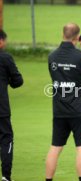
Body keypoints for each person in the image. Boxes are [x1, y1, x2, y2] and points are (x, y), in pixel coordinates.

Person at [45, 23, 81, 181]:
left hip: (59, 109)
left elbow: (55, 79)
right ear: (76, 37)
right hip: (79, 110)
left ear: (63, 34)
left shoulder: (52, 56)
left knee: (55, 147)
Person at [0, 30, 23, 181]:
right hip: (1, 108)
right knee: (6, 138)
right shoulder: (5, 58)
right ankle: (6, 176)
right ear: (1, 41)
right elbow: (18, 81)